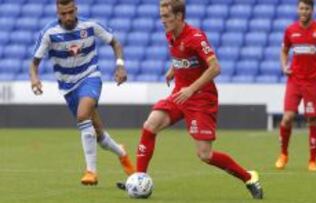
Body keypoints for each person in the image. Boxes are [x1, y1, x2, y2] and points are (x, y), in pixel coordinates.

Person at [118, 0, 263, 199]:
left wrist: (191, 88)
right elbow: (182, 56)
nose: (163, 21)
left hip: (201, 98)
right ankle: (139, 178)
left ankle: (248, 177)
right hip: (181, 94)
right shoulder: (170, 34)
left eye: (166, 17)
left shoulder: (196, 37)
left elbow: (215, 68)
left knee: (205, 155)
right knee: (150, 125)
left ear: (179, 17)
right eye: (161, 16)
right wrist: (173, 70)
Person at [29, 0, 135, 185]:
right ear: (57, 12)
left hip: (90, 77)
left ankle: (91, 172)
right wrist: (34, 79)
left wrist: (120, 66)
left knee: (82, 115)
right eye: (63, 14)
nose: (68, 17)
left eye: (71, 12)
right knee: (99, 135)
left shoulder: (90, 25)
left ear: (76, 9)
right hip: (68, 88)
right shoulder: (49, 33)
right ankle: (122, 153)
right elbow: (34, 63)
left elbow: (116, 43)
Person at [275, 0, 316, 172]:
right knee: (287, 118)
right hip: (295, 81)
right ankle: (283, 154)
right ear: (298, 9)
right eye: (301, 8)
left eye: (306, 9)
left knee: (313, 119)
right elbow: (284, 50)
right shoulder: (290, 30)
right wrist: (284, 66)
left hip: (313, 83)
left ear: (312, 10)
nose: (303, 11)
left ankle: (312, 160)